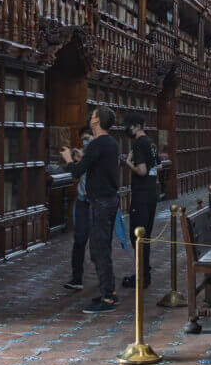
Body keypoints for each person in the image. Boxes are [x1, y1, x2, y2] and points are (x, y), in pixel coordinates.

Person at [61, 106, 121, 313]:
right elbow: (97, 166)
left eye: (93, 115)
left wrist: (69, 159)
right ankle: (108, 292)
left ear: (96, 121)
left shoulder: (97, 144)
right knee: (101, 248)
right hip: (110, 200)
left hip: (102, 202)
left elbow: (77, 172)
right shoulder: (111, 143)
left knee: (99, 250)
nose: (90, 117)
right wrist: (82, 158)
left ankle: (109, 298)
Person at [121, 112, 160, 289]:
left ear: (136, 125)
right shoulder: (151, 142)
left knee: (136, 234)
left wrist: (127, 162)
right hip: (153, 192)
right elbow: (158, 165)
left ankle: (142, 276)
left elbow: (142, 171)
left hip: (141, 194)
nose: (126, 129)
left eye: (128, 125)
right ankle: (145, 273)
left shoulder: (138, 144)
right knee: (146, 234)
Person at [64, 126, 93, 291]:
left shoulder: (96, 153)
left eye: (88, 137)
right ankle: (77, 278)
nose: (85, 141)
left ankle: (106, 284)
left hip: (96, 202)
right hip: (83, 201)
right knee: (79, 240)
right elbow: (77, 174)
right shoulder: (83, 154)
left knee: (98, 243)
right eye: (83, 138)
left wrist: (74, 161)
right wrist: (76, 160)